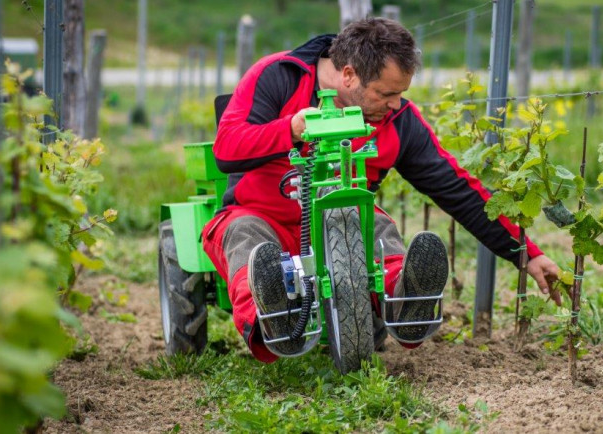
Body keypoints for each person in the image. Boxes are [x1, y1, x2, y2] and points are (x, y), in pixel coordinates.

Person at [203, 17, 561, 363]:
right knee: (247, 240)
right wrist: (291, 129)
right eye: (386, 93)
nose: (395, 104)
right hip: (261, 214)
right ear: (348, 75)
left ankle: (408, 299)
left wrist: (526, 253)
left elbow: (458, 190)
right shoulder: (279, 76)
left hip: (345, 219)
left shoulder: (398, 120)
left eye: (401, 93)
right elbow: (227, 146)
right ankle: (274, 314)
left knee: (378, 228)